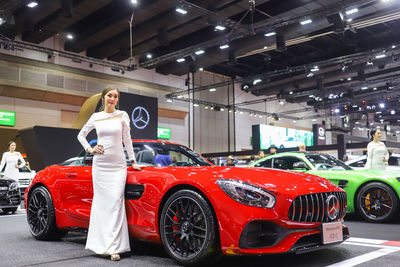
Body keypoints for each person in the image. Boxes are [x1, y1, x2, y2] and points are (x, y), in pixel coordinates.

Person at [77, 85, 140, 261]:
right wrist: (90, 149)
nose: (112, 99)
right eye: (109, 96)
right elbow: (81, 135)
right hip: (100, 165)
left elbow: (127, 139)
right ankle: (102, 245)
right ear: (104, 97)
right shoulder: (96, 117)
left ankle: (114, 246)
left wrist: (133, 161)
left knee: (115, 203)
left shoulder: (123, 115)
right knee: (102, 205)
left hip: (118, 166)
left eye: (115, 96)